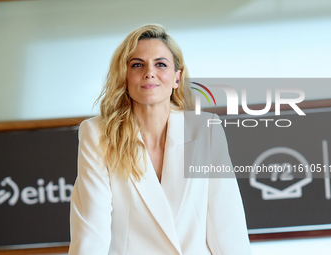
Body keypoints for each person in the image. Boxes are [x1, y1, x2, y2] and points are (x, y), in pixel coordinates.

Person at [68, 24, 252, 255]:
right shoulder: (97, 134)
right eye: (137, 64)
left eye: (160, 64)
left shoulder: (205, 129)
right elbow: (92, 233)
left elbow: (227, 226)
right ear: (124, 76)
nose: (149, 72)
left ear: (177, 77)